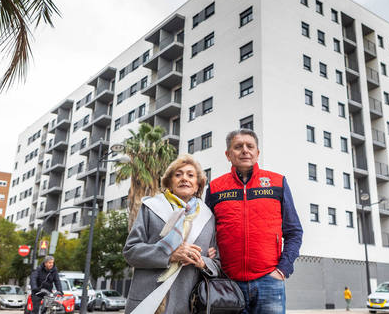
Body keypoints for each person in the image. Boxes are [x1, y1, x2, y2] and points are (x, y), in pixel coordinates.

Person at [205, 129, 303, 314]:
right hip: (227, 282)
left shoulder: (277, 182)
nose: (244, 150)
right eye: (238, 147)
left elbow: (294, 231)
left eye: (250, 146)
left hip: (269, 281)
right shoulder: (215, 188)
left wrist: (283, 269)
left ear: (257, 153)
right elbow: (206, 232)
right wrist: (209, 252)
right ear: (228, 154)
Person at [123, 154, 220, 314]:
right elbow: (131, 252)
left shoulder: (208, 217)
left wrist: (202, 262)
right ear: (169, 182)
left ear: (198, 185)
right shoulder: (151, 207)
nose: (184, 178)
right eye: (178, 174)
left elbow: (216, 264)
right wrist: (170, 255)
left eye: (190, 175)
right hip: (149, 301)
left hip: (187, 303)